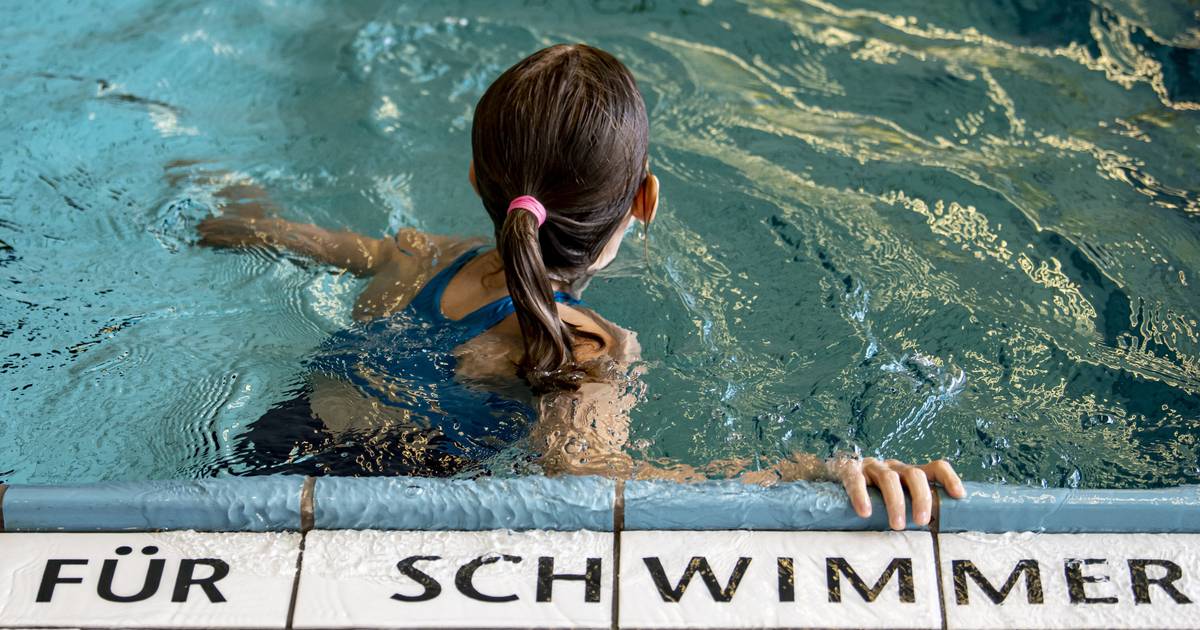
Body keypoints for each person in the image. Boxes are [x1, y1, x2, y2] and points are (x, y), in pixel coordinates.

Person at [189, 44, 964, 530]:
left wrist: (234, 204)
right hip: (380, 522)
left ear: (475, 179)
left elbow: (277, 234)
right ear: (644, 201)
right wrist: (815, 473)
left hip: (256, 457)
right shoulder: (589, 349)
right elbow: (601, 484)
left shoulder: (416, 257)